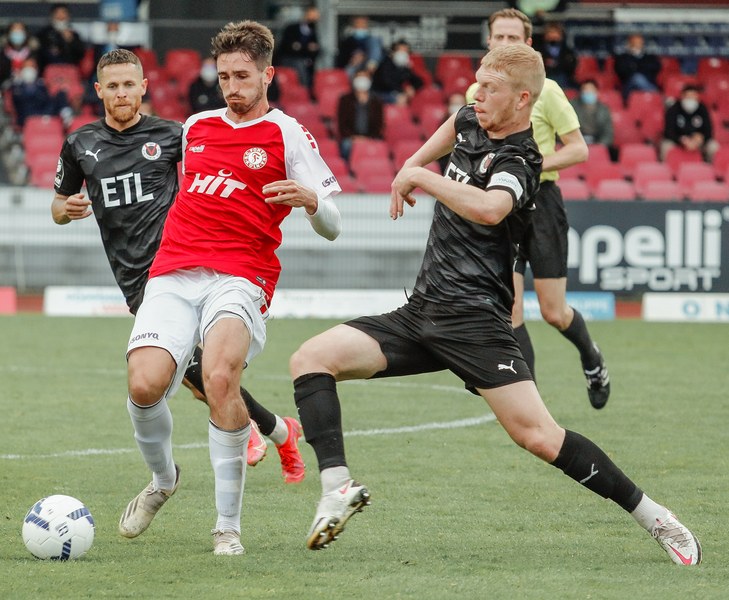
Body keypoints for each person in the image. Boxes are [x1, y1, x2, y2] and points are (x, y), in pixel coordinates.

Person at [289, 43, 702, 567]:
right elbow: (436, 142)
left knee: (540, 437)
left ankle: (654, 515)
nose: (476, 95)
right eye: (477, 83)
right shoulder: (468, 118)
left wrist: (421, 176)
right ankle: (337, 489)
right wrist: (408, 169)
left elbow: (490, 208)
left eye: (491, 88)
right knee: (310, 359)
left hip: (476, 323)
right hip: (422, 312)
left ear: (523, 99)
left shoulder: (522, 159)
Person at [119, 21, 342, 556]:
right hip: (174, 270)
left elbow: (333, 224)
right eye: (223, 77)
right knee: (144, 385)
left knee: (220, 378)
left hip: (242, 274)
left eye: (242, 76)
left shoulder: (287, 133)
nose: (232, 87)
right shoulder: (196, 126)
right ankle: (163, 480)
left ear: (268, 75)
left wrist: (312, 201)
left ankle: (227, 527)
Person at [50, 48, 307, 494]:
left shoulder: (173, 135)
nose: (121, 93)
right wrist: (66, 209)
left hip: (178, 265)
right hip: (132, 275)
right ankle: (280, 430)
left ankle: (253, 431)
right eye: (112, 86)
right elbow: (57, 205)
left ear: (143, 87)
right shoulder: (79, 144)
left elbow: (210, 176)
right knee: (193, 374)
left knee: (201, 369)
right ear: (99, 91)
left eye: (129, 84)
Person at [469, 8, 607, 408]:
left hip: (542, 202)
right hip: (503, 205)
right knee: (510, 311)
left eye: (514, 38)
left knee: (554, 312)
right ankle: (531, 407)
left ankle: (592, 357)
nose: (505, 44)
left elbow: (579, 149)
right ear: (489, 42)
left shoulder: (548, 91)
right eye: (499, 37)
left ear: (528, 45)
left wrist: (529, 165)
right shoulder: (476, 92)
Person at [660, 83, 719, 162]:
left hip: (697, 141)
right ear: (682, 96)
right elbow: (668, 132)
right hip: (678, 140)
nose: (690, 99)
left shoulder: (703, 109)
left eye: (693, 96)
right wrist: (682, 139)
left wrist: (700, 139)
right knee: (665, 145)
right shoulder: (673, 109)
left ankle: (710, 168)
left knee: (713, 146)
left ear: (697, 97)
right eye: (688, 96)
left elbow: (708, 131)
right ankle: (666, 168)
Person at [336, 68, 384, 161]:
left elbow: (379, 124)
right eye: (359, 77)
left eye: (365, 77)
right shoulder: (345, 100)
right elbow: (342, 124)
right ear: (354, 80)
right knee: (346, 145)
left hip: (371, 137)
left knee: (379, 146)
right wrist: (354, 138)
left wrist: (368, 138)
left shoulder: (376, 101)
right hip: (351, 138)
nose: (362, 80)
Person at [10, 56, 71, 127]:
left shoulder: (41, 84)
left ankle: (66, 115)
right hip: (27, 117)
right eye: (27, 67)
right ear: (22, 69)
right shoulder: (17, 86)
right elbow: (18, 103)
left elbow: (47, 101)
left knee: (61, 93)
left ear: (36, 69)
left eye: (32, 67)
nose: (29, 70)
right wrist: (20, 82)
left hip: (44, 113)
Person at [275, 3, 320, 91]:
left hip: (306, 60)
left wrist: (301, 47)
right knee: (300, 65)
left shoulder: (313, 30)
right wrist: (305, 47)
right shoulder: (291, 28)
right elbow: (289, 46)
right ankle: (304, 89)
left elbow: (315, 47)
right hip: (289, 59)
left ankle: (307, 91)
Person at [35, 3, 87, 75]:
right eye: (57, 13)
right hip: (49, 70)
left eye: (63, 13)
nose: (60, 16)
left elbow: (80, 54)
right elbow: (40, 53)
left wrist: (70, 41)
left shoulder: (74, 34)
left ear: (68, 16)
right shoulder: (44, 33)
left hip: (69, 70)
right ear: (52, 15)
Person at [372, 40, 423, 105]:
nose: (402, 53)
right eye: (400, 50)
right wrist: (403, 90)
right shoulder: (386, 63)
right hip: (380, 93)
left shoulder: (405, 66)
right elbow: (386, 82)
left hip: (395, 92)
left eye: (405, 51)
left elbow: (418, 81)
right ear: (393, 52)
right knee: (401, 100)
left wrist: (412, 88)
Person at [614, 33, 660, 102]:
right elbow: (621, 71)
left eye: (639, 43)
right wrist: (639, 66)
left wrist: (635, 66)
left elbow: (655, 68)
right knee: (637, 78)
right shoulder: (623, 58)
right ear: (629, 44)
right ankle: (659, 97)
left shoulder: (650, 57)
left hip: (648, 84)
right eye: (634, 43)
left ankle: (656, 95)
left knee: (639, 78)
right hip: (628, 88)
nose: (637, 45)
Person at [570, 79, 614, 147]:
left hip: (598, 141)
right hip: (577, 142)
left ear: (597, 92)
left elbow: (608, 133)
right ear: (581, 92)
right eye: (585, 90)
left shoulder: (604, 109)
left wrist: (600, 145)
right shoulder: (572, 106)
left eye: (591, 90)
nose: (588, 92)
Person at [534, 21, 576, 90]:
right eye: (550, 32)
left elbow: (571, 67)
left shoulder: (567, 51)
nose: (553, 36)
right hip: (543, 78)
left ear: (561, 35)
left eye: (556, 33)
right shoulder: (538, 50)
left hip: (563, 80)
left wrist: (557, 64)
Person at [0, 22, 40, 89]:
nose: (17, 34)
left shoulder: (35, 55)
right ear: (8, 34)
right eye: (14, 31)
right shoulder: (2, 55)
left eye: (20, 31)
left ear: (26, 34)